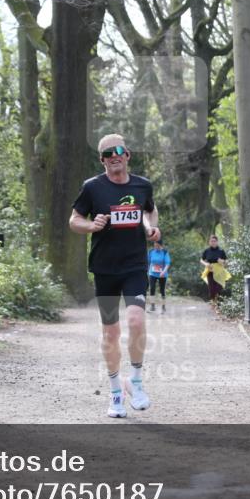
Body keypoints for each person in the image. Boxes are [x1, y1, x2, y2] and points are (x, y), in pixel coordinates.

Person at [69, 134, 161, 418]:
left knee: (135, 320)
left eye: (119, 151)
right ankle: (115, 392)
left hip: (134, 266)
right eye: (108, 153)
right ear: (103, 160)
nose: (114, 156)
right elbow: (74, 221)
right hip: (105, 269)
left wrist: (150, 228)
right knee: (111, 331)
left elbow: (150, 210)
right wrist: (91, 226)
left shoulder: (142, 185)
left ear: (128, 154)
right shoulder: (92, 188)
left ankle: (136, 381)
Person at [200, 234, 229, 301]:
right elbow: (201, 260)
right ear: (209, 242)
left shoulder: (221, 251)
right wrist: (206, 264)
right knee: (211, 289)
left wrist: (222, 261)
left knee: (218, 288)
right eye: (211, 241)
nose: (213, 242)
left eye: (214, 241)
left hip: (219, 272)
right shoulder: (207, 251)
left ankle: (217, 304)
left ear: (217, 242)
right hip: (210, 271)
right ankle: (213, 304)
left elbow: (226, 261)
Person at [147, 239, 171, 313]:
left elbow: (167, 263)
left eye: (157, 245)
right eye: (154, 245)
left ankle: (163, 307)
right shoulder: (151, 251)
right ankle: (152, 306)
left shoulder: (165, 252)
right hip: (152, 273)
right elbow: (148, 262)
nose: (155, 247)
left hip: (162, 274)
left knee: (162, 290)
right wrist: (147, 270)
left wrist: (164, 272)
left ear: (161, 245)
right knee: (152, 289)